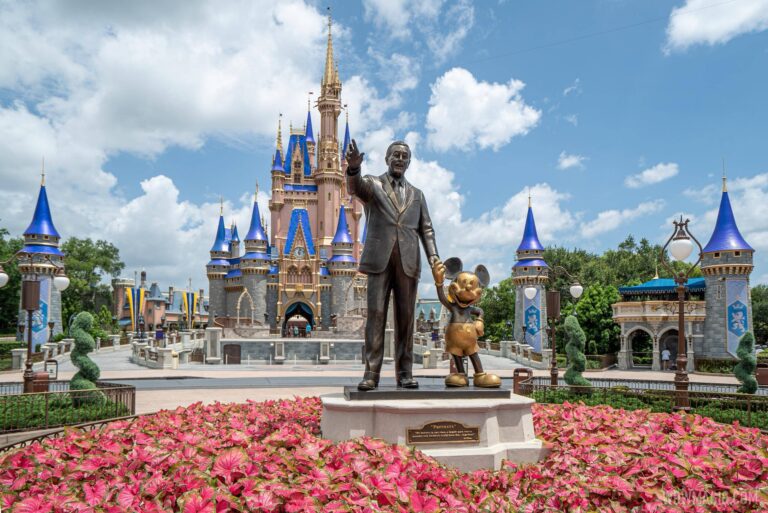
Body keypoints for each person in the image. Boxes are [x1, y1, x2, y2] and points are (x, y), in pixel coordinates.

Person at [346, 139, 440, 391]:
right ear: (387, 159)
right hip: (379, 259)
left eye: (404, 156)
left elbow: (426, 230)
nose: (399, 159)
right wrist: (353, 169)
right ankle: (371, 374)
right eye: (395, 155)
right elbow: (354, 188)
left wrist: (434, 258)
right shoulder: (373, 185)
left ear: (409, 162)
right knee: (376, 315)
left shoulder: (417, 195)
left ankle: (405, 373)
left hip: (409, 262)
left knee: (406, 318)